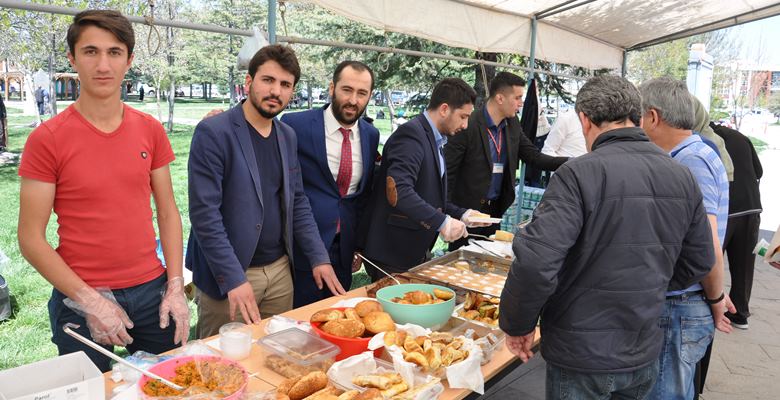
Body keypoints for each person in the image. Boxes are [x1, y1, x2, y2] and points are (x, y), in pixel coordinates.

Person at [499, 75, 715, 400]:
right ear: (639, 118)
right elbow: (699, 259)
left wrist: (517, 325)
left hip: (581, 356)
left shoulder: (577, 173)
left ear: (585, 120)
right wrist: (650, 286)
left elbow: (535, 262)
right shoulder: (680, 175)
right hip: (640, 350)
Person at [17, 10, 188, 372]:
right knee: (91, 391)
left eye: (114, 52)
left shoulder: (149, 130)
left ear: (129, 60)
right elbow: (30, 238)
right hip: (80, 296)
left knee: (172, 386)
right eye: (91, 52)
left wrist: (175, 284)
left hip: (152, 291)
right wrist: (90, 301)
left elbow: (168, 211)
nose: (103, 64)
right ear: (72, 58)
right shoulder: (47, 140)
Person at [186, 45, 345, 338]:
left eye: (285, 85)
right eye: (268, 80)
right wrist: (234, 279)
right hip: (231, 277)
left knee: (275, 356)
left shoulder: (286, 135)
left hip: (280, 272)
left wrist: (319, 258)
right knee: (220, 369)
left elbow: (297, 201)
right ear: (249, 82)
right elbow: (204, 214)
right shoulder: (215, 132)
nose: (276, 91)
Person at [638, 77, 735, 400]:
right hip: (682, 303)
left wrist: (716, 297)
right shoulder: (691, 154)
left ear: (652, 117)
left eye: (638, 118)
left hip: (680, 306)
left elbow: (704, 243)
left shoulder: (690, 160)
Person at [280, 61, 380, 307]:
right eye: (347, 90)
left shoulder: (370, 135)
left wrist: (358, 244)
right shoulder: (296, 125)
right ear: (332, 87)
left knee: (335, 317)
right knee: (298, 323)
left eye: (361, 93)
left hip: (343, 248)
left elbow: (362, 196)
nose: (353, 100)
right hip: (301, 246)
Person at [361, 78, 481, 278]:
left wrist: (463, 214)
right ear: (444, 109)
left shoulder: (435, 139)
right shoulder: (411, 135)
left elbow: (429, 197)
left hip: (412, 250)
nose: (465, 125)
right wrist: (442, 222)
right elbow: (399, 191)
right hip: (394, 252)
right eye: (463, 116)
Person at [444, 72, 568, 249]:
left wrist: (573, 162)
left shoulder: (512, 124)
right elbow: (448, 172)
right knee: (461, 268)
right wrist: (447, 213)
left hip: (495, 211)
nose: (521, 102)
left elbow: (534, 156)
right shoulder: (468, 124)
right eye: (517, 97)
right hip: (467, 213)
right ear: (500, 98)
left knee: (490, 263)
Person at [711, 120, 762, 329]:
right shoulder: (740, 137)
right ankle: (740, 313)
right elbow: (758, 171)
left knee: (714, 258)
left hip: (726, 208)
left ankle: (712, 307)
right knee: (744, 264)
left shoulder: (708, 140)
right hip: (751, 207)